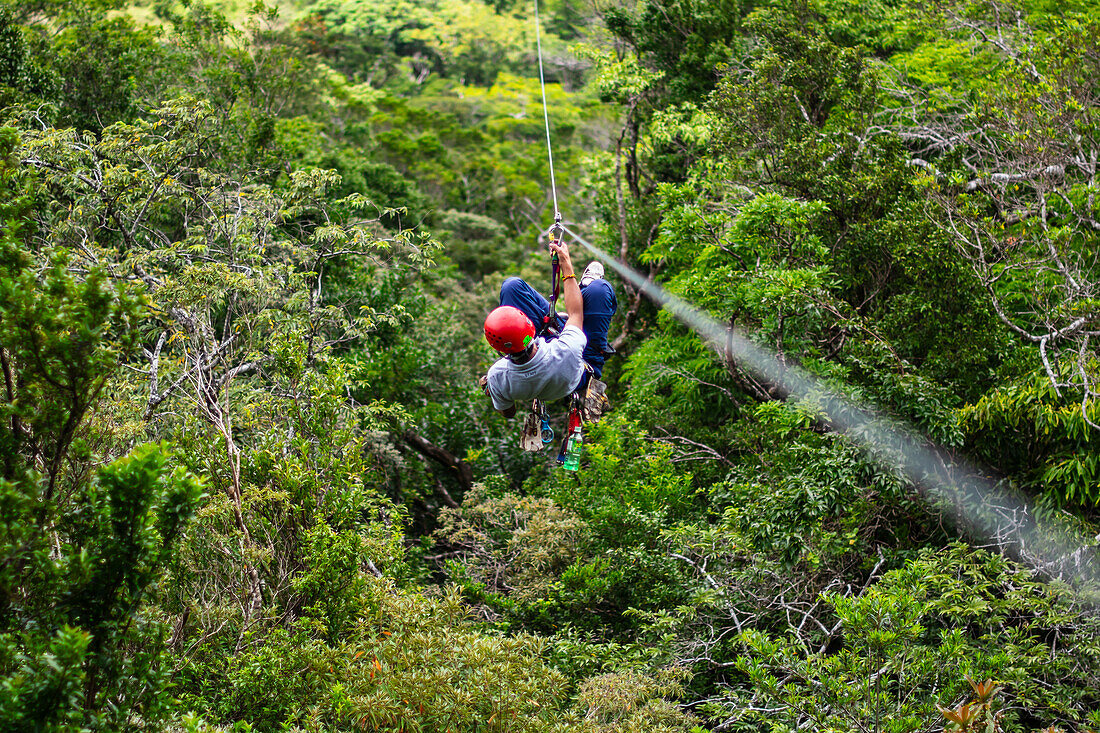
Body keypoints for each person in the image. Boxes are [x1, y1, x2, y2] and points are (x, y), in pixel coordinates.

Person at [483, 241, 617, 418]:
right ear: (529, 326)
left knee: (512, 287)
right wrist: (565, 264)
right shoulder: (565, 350)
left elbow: (508, 412)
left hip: (546, 348)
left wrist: (491, 388)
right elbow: (575, 313)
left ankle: (575, 308)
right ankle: (585, 287)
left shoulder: (496, 376)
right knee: (598, 291)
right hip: (582, 359)